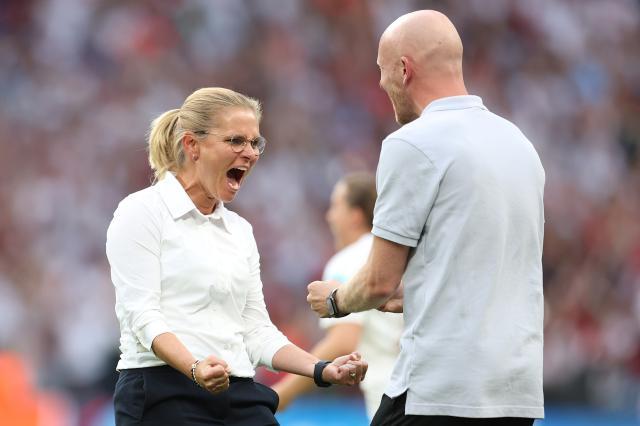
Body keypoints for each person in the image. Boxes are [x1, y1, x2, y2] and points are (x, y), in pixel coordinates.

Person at [307, 10, 545, 426]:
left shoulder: (412, 143)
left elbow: (378, 281)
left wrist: (336, 300)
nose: (381, 83)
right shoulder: (519, 143)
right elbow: (494, 265)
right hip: (515, 391)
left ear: (404, 69)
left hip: (440, 389)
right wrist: (420, 290)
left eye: (382, 70)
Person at [106, 87, 367, 426]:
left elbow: (256, 330)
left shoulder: (239, 230)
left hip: (236, 390)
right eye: (236, 141)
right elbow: (142, 316)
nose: (250, 153)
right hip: (162, 391)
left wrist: (321, 369)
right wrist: (194, 367)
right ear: (192, 145)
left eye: (255, 143)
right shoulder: (141, 212)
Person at [272, 173, 403, 420]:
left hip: (389, 393)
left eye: (336, 206)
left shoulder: (347, 261)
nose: (329, 216)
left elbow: (343, 341)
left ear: (355, 215)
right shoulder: (396, 254)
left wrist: (283, 393)